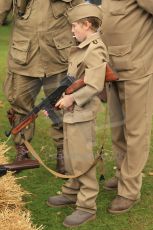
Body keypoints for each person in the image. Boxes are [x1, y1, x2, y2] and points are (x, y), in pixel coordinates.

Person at [0, 0, 84, 173]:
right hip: (23, 55)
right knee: (19, 104)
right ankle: (22, 150)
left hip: (58, 55)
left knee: (61, 106)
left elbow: (82, 12)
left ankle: (62, 151)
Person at [46, 3, 108, 228]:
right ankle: (72, 191)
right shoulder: (82, 46)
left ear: (87, 25)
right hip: (73, 113)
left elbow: (94, 84)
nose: (72, 30)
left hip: (82, 113)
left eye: (75, 26)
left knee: (82, 161)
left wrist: (71, 99)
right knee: (72, 157)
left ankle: (86, 206)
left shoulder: (95, 49)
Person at [101, 0, 153, 213]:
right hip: (112, 69)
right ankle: (123, 173)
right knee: (118, 131)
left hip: (137, 71)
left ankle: (129, 190)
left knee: (135, 133)